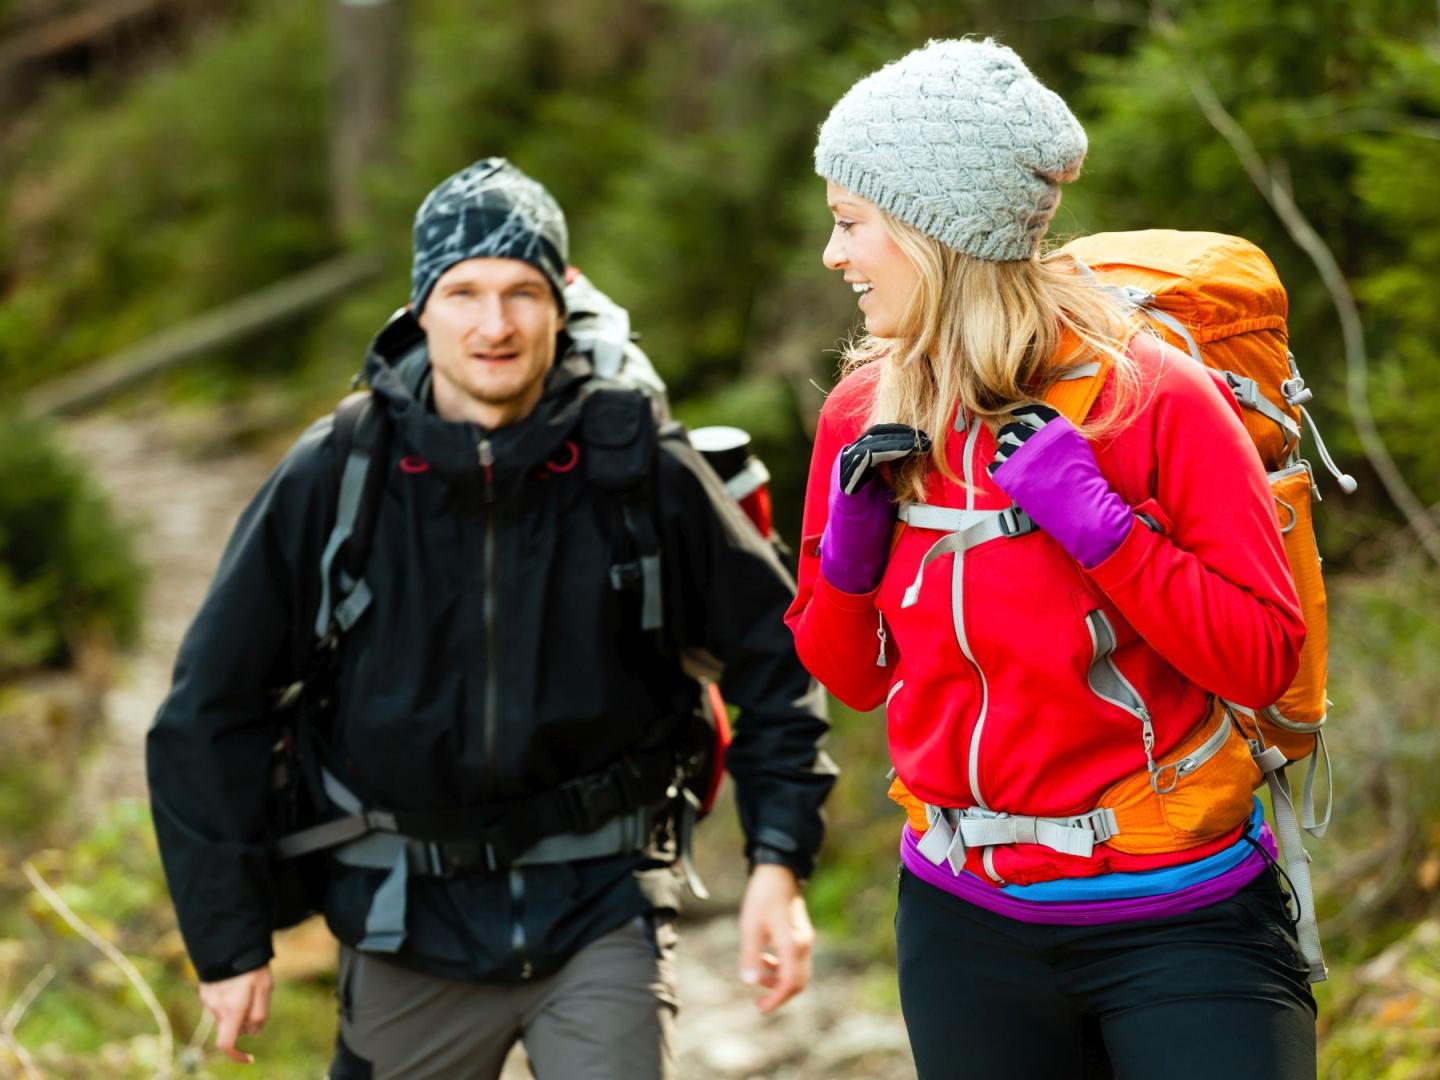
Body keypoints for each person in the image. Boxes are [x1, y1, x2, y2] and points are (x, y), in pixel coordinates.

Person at [147, 157, 835, 1079]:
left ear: (560, 304)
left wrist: (778, 861)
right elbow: (208, 709)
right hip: (403, 921)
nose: (495, 324)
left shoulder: (637, 464)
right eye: (464, 292)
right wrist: (229, 942)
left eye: (522, 291)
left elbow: (777, 659)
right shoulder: (338, 472)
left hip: (603, 908)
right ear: (419, 308)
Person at [786, 38, 1317, 1078]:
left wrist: (1107, 534)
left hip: (1183, 918)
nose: (833, 255)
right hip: (965, 922)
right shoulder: (866, 413)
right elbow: (850, 676)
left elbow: (1264, 655)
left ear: (938, 230)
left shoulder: (1152, 397)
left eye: (853, 225)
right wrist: (849, 560)